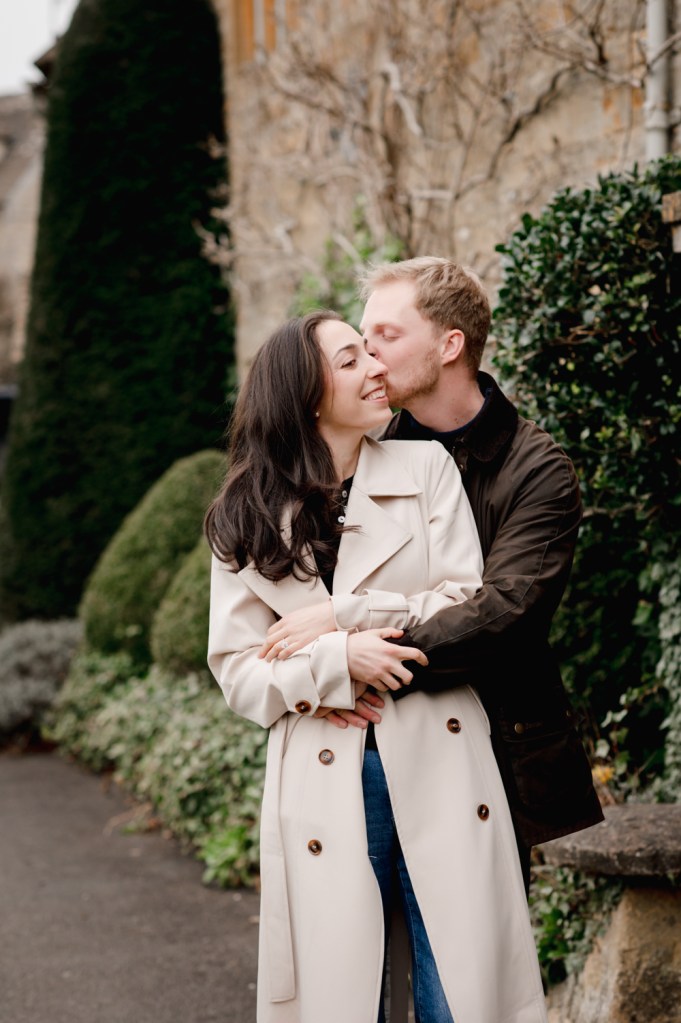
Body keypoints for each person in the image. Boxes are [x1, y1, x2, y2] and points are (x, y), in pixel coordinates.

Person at [206, 311, 548, 1023]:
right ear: (304, 392)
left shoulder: (425, 468)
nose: (375, 368)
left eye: (372, 353)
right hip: (325, 768)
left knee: (455, 984)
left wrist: (348, 618)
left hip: (438, 744)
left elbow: (461, 599)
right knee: (343, 991)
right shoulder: (241, 512)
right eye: (351, 358)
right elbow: (238, 671)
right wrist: (336, 664)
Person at [265, 259, 604, 890]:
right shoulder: (362, 446)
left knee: (467, 968)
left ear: (451, 345)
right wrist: (329, 671)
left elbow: (504, 616)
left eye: (386, 337)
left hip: (495, 745)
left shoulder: (536, 468)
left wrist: (360, 655)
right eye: (361, 343)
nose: (369, 357)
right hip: (362, 747)